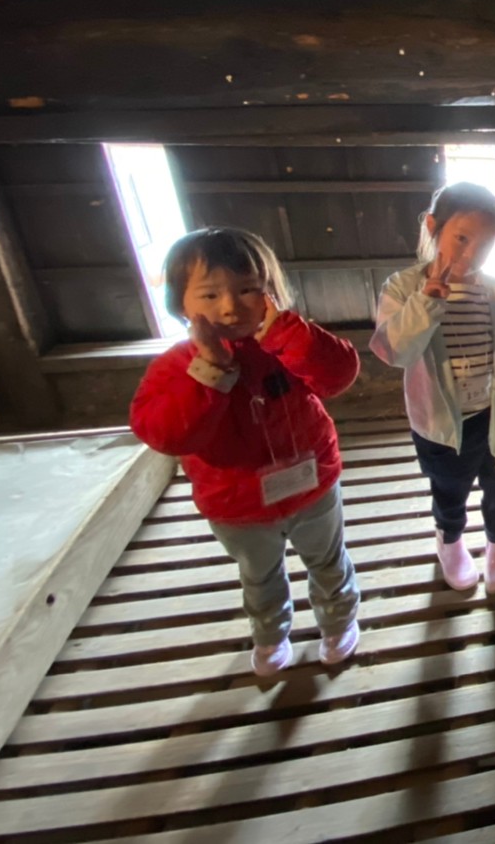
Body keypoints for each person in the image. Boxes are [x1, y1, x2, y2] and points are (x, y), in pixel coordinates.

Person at [131, 227, 361, 677]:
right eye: (210, 294)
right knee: (260, 575)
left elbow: (340, 374)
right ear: (181, 304)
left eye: (247, 290)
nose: (230, 306)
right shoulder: (176, 367)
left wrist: (287, 333)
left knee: (329, 560)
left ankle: (338, 621)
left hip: (312, 483)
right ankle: (271, 633)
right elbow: (166, 434)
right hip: (238, 503)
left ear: (271, 292)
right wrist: (210, 371)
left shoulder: (289, 342)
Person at [370, 181, 495, 593]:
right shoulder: (403, 288)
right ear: (433, 227)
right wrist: (426, 302)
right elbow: (395, 352)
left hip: (494, 417)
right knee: (449, 489)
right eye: (461, 238)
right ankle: (450, 541)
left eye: (486, 244)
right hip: (440, 426)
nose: (471, 253)